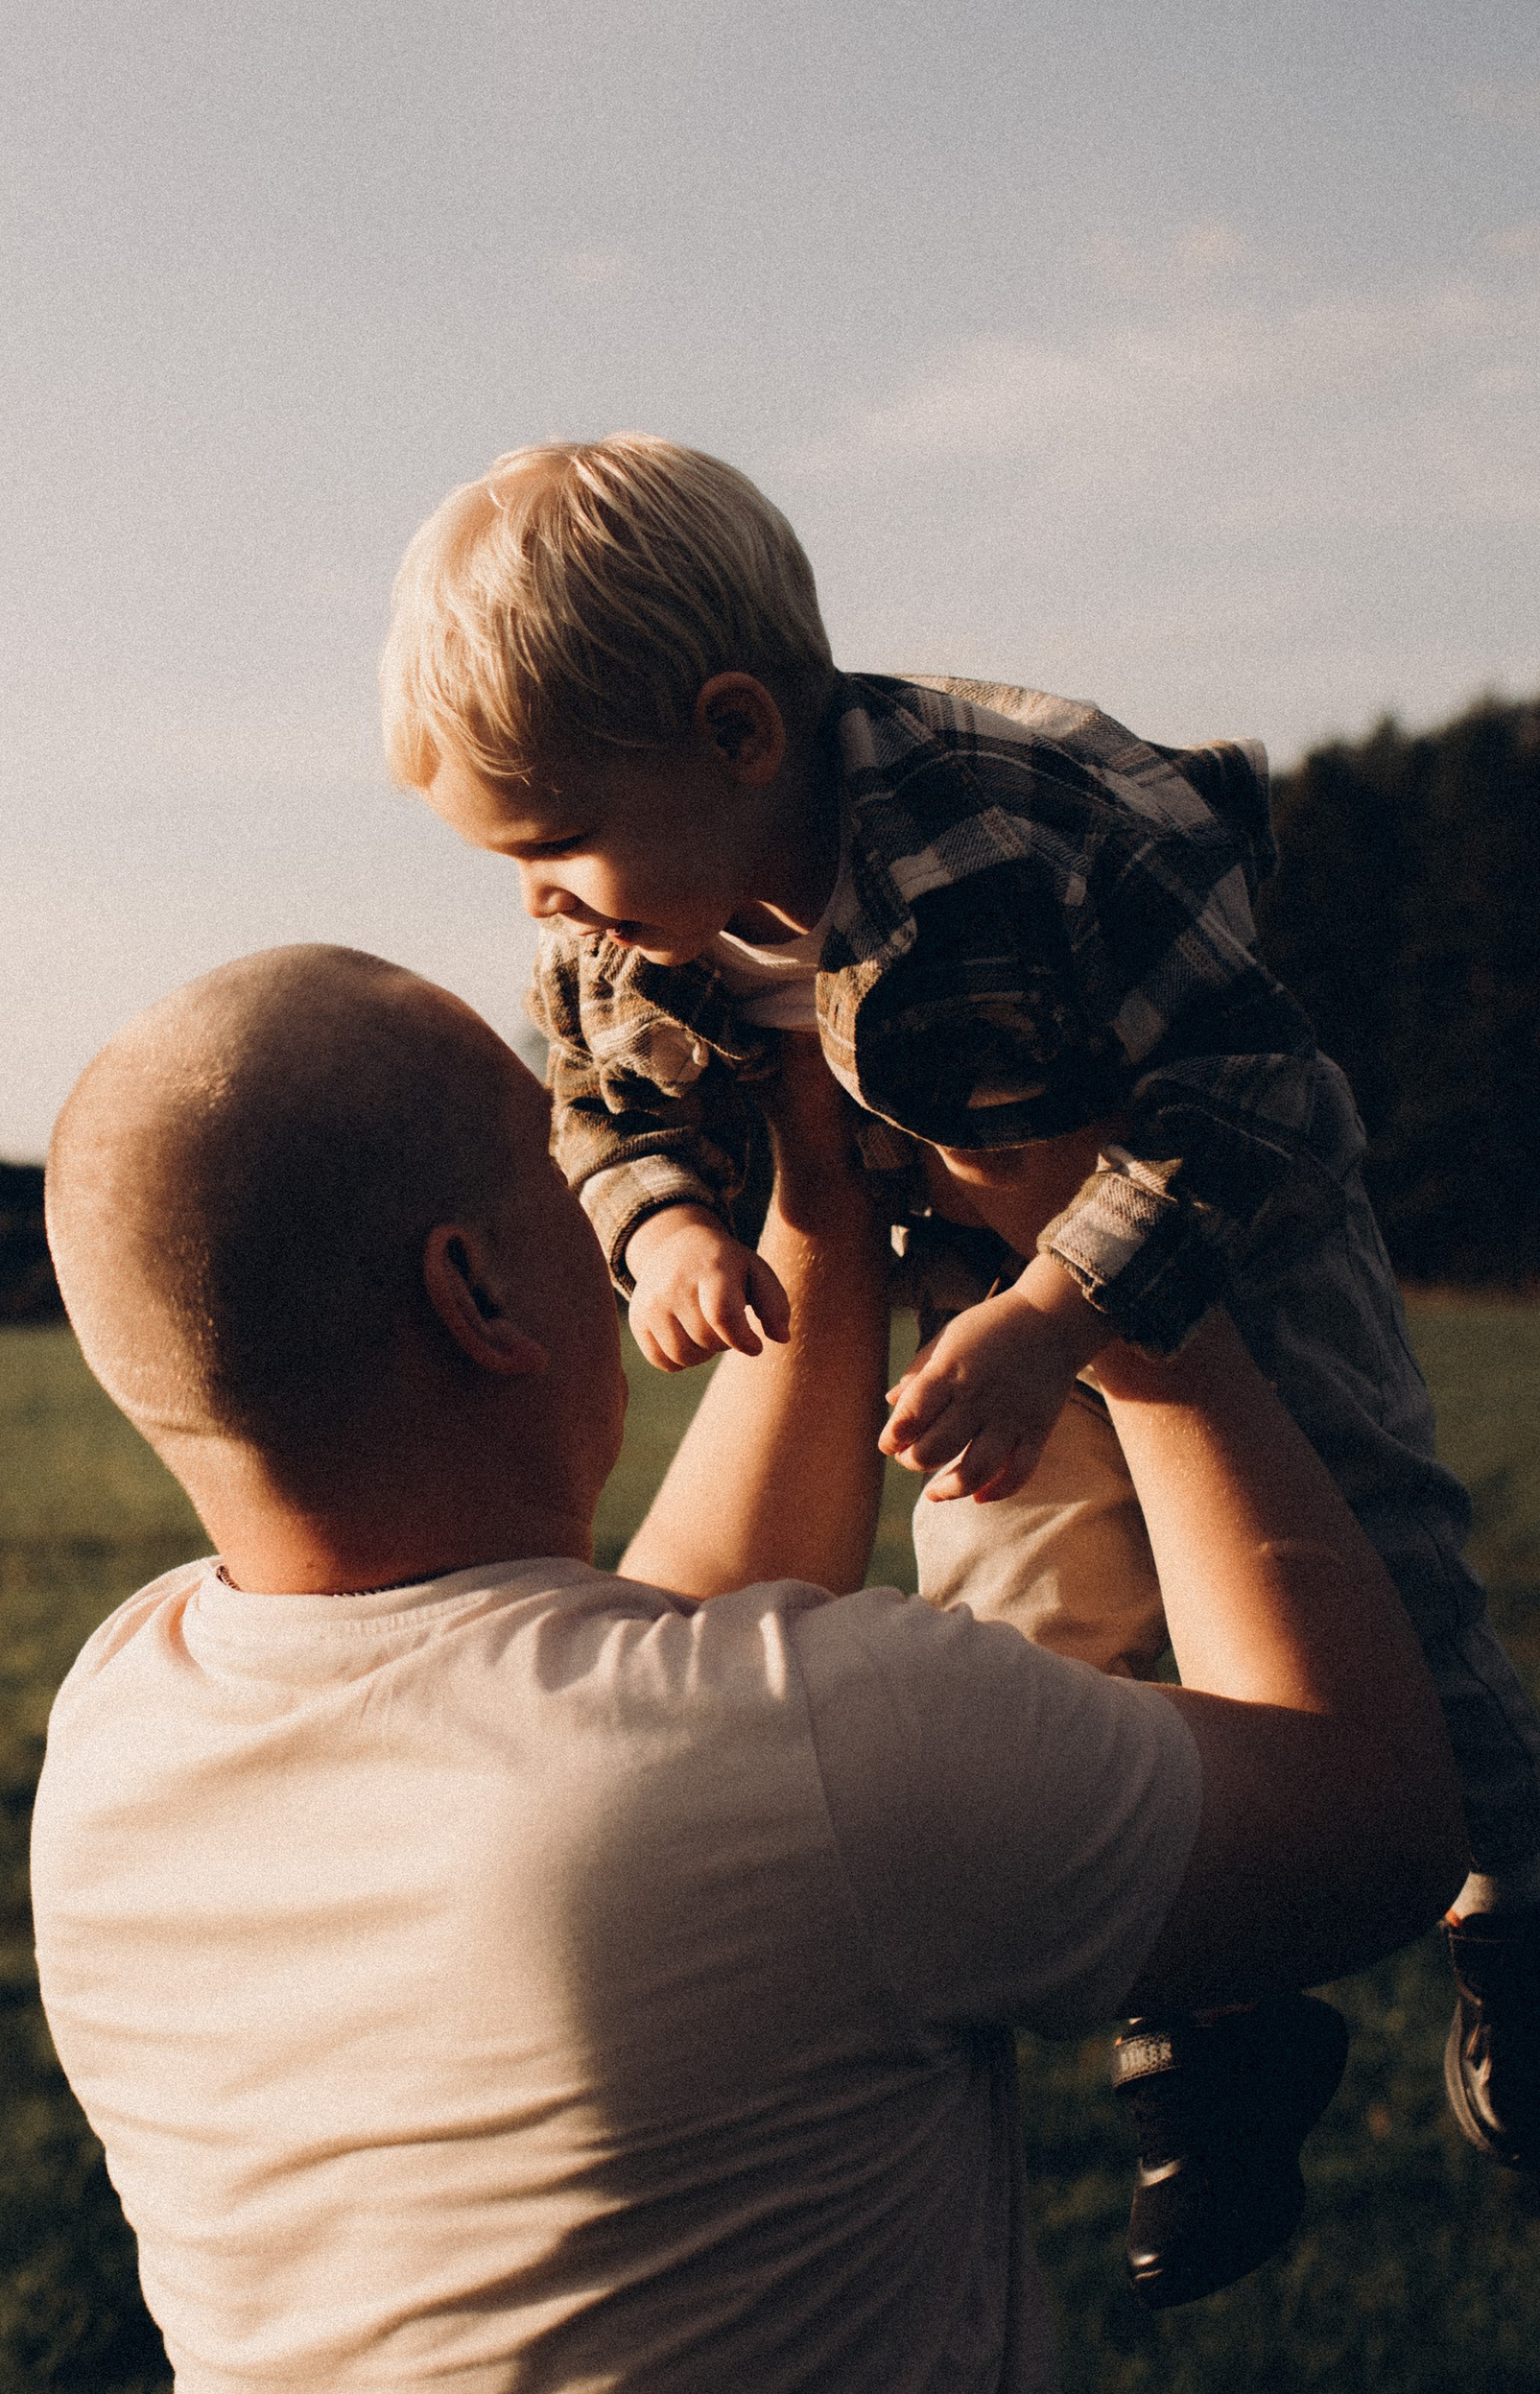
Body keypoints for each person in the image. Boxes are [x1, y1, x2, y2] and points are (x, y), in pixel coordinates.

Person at [33, 946, 1457, 2394]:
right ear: (473, 1291)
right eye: (577, 1169)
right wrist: (1114, 1280)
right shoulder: (799, 1759)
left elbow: (646, 1661)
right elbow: (1368, 1820)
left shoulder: (126, 1720)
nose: (628, 1189)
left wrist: (811, 1188)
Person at [384, 434, 1540, 2289]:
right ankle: (1208, 2012)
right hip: (963, 1278)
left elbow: (1254, 1097)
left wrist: (1061, 1310)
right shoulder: (626, 921)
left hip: (1224, 1234)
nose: (541, 907)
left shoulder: (1039, 821)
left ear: (740, 734)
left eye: (548, 849)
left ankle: (1510, 1908)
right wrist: (667, 1228)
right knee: (1006, 1609)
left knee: (1374, 1555)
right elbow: (600, 1115)